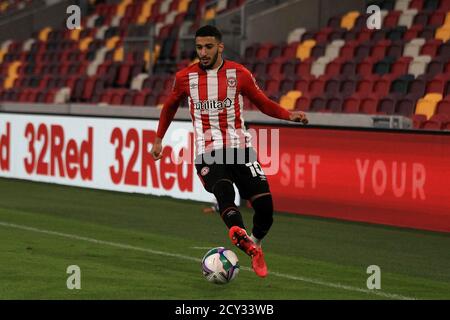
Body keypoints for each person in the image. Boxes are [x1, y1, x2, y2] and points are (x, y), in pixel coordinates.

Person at [151, 25, 308, 278]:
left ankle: (254, 244)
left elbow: (262, 102)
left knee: (265, 209)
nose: (203, 52)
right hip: (207, 150)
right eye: (199, 47)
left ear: (220, 47)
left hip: (240, 149)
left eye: (208, 47)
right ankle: (239, 234)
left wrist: (289, 115)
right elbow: (169, 107)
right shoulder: (184, 78)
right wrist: (159, 139)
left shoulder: (239, 74)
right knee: (224, 190)